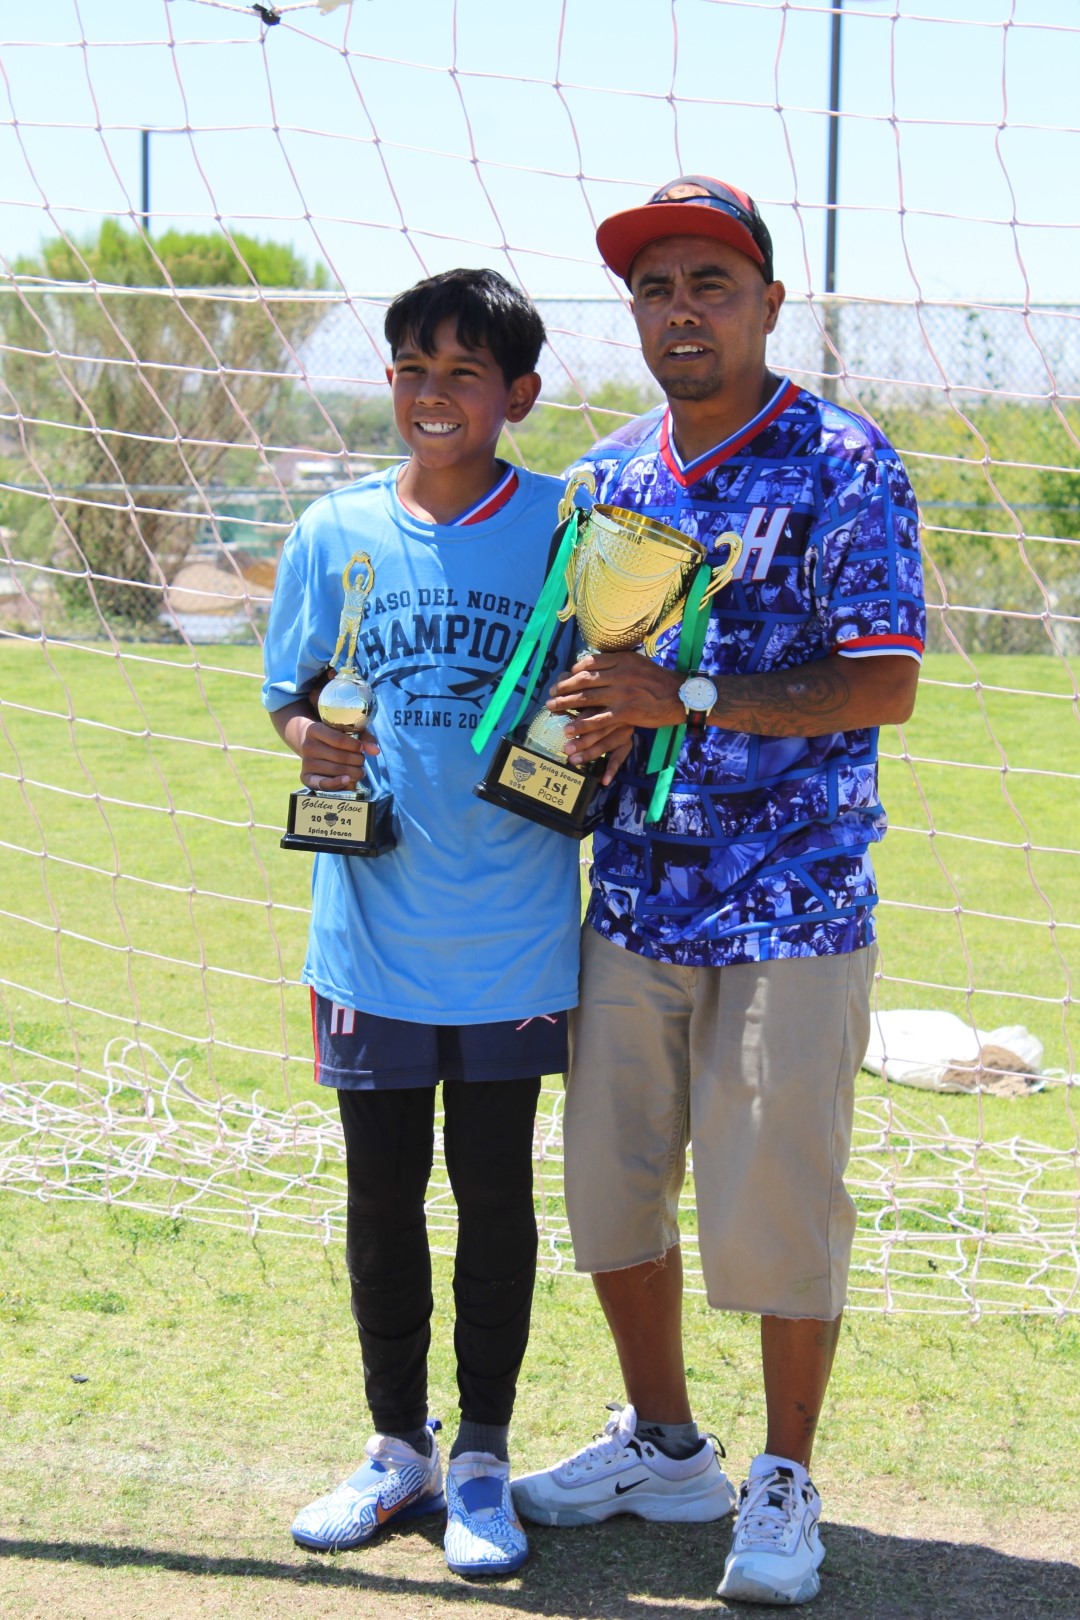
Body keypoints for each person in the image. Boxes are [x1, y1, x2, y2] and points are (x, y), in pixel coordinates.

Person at [512, 178, 925, 1607]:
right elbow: (591, 669)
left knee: (777, 1205)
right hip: (632, 897)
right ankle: (667, 1445)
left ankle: (785, 1479)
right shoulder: (607, 479)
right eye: (655, 288)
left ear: (767, 302)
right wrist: (582, 721)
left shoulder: (844, 461)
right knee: (612, 1190)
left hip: (790, 908)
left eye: (710, 283)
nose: (680, 311)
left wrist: (682, 696)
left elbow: (885, 683)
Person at [262, 268, 629, 1578]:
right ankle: (394, 1447)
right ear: (390, 380)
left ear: (516, 394)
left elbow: (608, 691)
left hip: (513, 938)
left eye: (464, 372)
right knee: (380, 1197)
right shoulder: (334, 530)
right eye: (414, 368)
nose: (434, 393)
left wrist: (600, 728)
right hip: (368, 937)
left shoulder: (571, 530)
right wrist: (311, 742)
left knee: (493, 1196)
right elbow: (291, 694)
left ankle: (480, 1456)